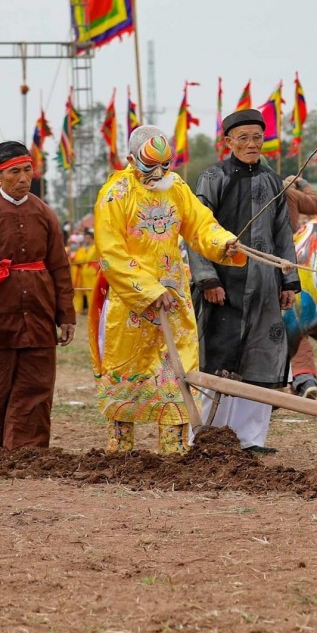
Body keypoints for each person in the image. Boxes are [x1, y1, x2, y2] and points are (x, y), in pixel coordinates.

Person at [90, 127, 245, 454]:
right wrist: (147, 290)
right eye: (150, 166)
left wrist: (223, 243)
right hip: (131, 301)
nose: (159, 173)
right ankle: (120, 449)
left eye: (165, 164)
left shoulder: (176, 188)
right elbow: (111, 252)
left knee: (178, 370)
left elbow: (201, 225)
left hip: (173, 296)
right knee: (125, 369)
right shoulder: (115, 194)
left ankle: (174, 449)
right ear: (131, 160)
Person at [188, 109, 301, 454]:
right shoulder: (213, 177)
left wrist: (288, 282)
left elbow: (283, 234)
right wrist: (207, 279)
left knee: (260, 361)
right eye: (244, 138)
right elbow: (195, 229)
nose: (252, 144)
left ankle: (251, 439)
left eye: (257, 137)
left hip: (265, 287)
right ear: (228, 142)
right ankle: (206, 436)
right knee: (218, 359)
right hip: (223, 287)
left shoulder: (272, 180)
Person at [0, 141, 75, 449]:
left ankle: (29, 452)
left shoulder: (44, 213)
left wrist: (66, 315)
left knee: (36, 385)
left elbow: (60, 267)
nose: (24, 178)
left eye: (27, 170)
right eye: (14, 172)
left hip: (39, 313)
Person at [283, 174, 317, 398]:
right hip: (288, 259)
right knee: (294, 320)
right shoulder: (287, 192)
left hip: (252, 262)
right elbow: (316, 204)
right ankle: (304, 378)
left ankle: (270, 384)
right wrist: (301, 183)